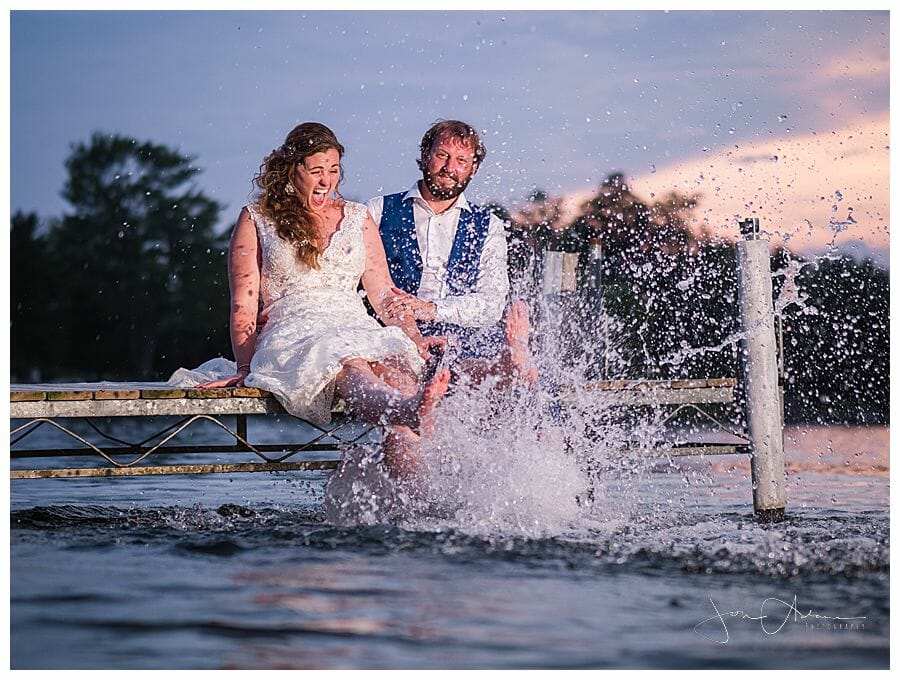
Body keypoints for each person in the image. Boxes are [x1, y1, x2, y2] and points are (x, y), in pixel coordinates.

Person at [172, 122, 450, 475]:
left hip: (355, 325)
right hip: (294, 333)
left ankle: (423, 503)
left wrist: (415, 336)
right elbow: (244, 302)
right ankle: (406, 407)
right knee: (352, 365)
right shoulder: (256, 219)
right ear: (293, 169)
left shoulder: (357, 217)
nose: (327, 181)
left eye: (333, 171)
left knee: (397, 378)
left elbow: (383, 295)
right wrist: (244, 366)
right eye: (316, 171)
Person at [366, 119, 537, 387]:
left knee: (531, 385)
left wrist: (432, 309)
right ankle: (504, 367)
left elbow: (492, 304)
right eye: (442, 155)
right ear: (425, 155)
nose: (449, 168)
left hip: (465, 338)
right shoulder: (377, 211)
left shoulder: (488, 225)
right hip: (393, 334)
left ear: (474, 168)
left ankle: (510, 363)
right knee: (423, 375)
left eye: (461, 160)